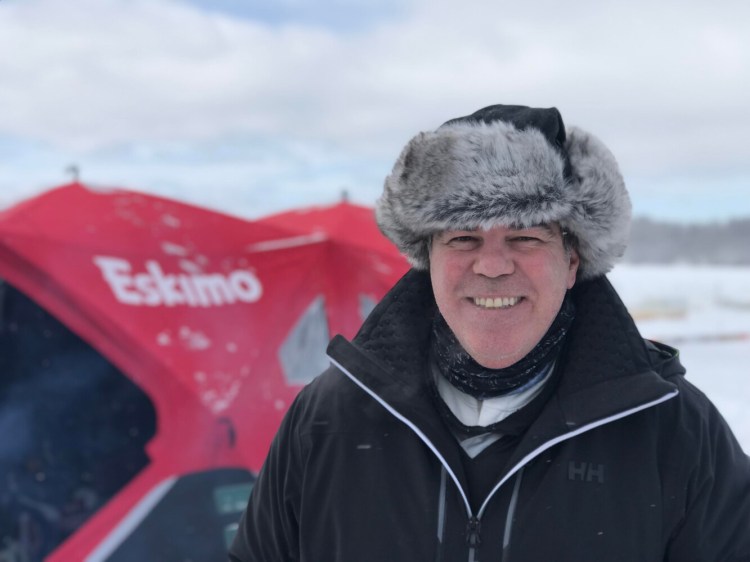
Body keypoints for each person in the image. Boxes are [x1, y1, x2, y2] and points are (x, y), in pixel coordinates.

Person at [229, 104, 750, 561]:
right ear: (426, 261)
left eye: (524, 235)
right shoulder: (328, 419)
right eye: (462, 237)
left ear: (572, 262)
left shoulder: (673, 430)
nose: (494, 265)